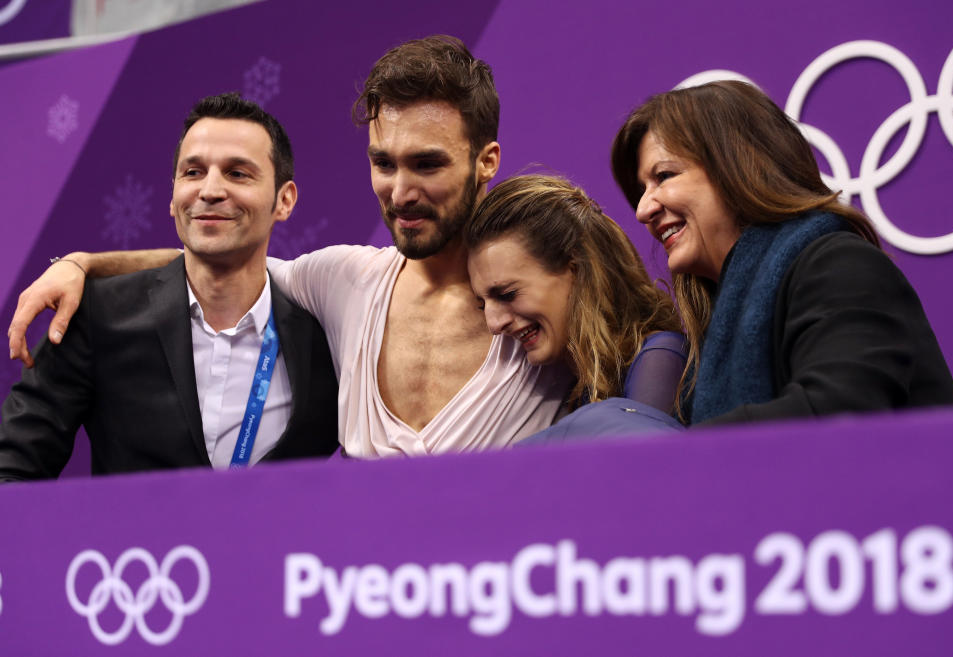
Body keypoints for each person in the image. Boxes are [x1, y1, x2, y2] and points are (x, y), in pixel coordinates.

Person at [7, 36, 569, 457]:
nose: (401, 191)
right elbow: (227, 256)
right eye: (383, 163)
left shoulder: (553, 290)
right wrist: (83, 264)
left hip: (505, 592)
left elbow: (638, 362)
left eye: (427, 163)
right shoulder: (344, 280)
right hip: (357, 595)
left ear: (486, 160)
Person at [0, 93, 340, 481]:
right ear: (173, 196)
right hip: (130, 544)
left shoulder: (327, 333)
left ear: (284, 200)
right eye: (193, 172)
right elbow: (12, 473)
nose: (209, 190)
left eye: (237, 173)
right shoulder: (98, 315)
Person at [610, 80, 953, 424]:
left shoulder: (840, 266)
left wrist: (677, 457)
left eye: (664, 176)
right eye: (642, 189)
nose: (643, 210)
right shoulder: (711, 333)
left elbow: (839, 412)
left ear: (739, 167)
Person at [466, 174, 686, 440]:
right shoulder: (576, 384)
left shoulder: (661, 356)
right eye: (483, 304)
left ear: (577, 269)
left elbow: (638, 473)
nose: (494, 324)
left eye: (508, 294)